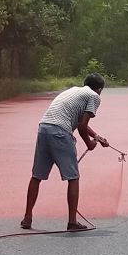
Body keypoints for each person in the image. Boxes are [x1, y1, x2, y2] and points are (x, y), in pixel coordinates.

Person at [23, 74, 109, 231]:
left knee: (37, 176)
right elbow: (82, 126)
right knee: (73, 177)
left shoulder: (74, 91)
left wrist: (96, 137)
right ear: (99, 89)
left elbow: (77, 121)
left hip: (44, 128)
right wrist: (89, 144)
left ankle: (27, 218)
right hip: (60, 133)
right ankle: (72, 222)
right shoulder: (94, 96)